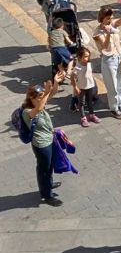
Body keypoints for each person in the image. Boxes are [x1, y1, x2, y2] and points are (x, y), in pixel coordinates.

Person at [23, 72, 66, 206]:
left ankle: (48, 184)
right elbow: (40, 106)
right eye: (39, 96)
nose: (43, 99)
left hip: (49, 139)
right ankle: (47, 195)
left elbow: (53, 92)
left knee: (49, 165)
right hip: (41, 144)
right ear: (31, 98)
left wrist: (55, 82)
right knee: (44, 168)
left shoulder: (39, 103)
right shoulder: (27, 112)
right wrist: (46, 93)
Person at [93, 3, 121, 119]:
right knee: (113, 86)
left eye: (111, 17)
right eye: (107, 18)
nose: (110, 20)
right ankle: (114, 108)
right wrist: (109, 34)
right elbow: (105, 47)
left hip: (119, 57)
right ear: (102, 19)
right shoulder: (98, 32)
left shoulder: (113, 24)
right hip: (109, 60)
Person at [71, 47, 100, 127]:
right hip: (81, 87)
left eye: (88, 56)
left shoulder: (89, 64)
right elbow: (72, 77)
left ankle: (92, 115)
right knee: (81, 103)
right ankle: (83, 118)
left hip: (90, 86)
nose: (87, 58)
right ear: (80, 57)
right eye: (85, 57)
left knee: (89, 101)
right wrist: (75, 87)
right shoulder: (78, 67)